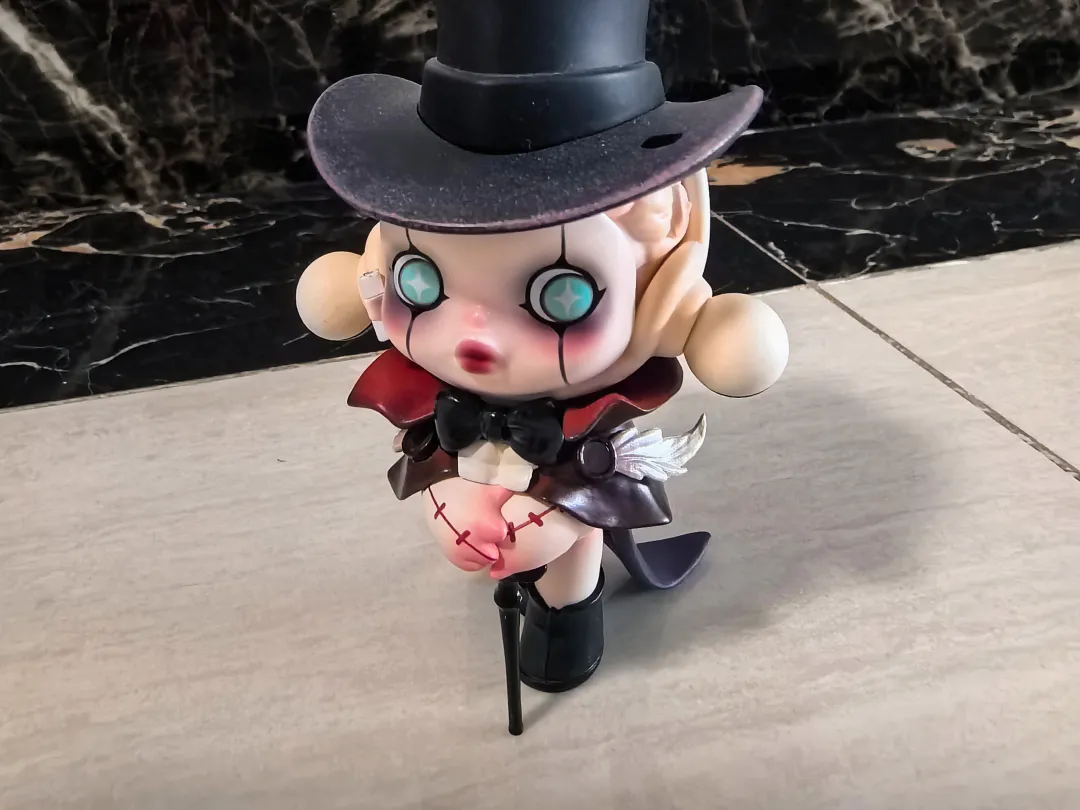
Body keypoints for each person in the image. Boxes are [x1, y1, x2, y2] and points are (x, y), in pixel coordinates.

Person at [294, 0, 789, 721]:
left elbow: (589, 483)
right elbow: (430, 452)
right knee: (478, 524)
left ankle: (566, 622)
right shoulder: (437, 380)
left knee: (566, 559)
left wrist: (541, 521)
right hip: (476, 480)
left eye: (561, 295)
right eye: (420, 280)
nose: (475, 339)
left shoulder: (609, 377)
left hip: (560, 480)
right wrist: (454, 504)